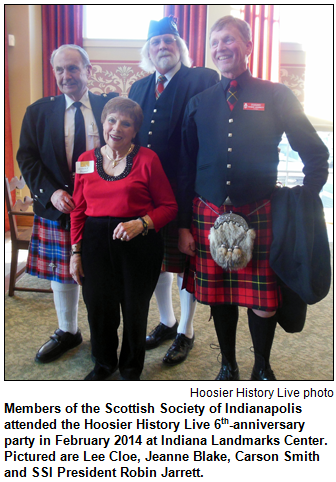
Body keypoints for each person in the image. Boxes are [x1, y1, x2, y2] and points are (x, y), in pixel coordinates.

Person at [177, 16, 329, 381]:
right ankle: (227, 364)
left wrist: (304, 202)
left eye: (228, 40)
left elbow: (315, 153)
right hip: (207, 214)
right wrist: (183, 224)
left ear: (248, 45)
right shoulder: (199, 102)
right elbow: (185, 168)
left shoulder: (276, 95)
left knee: (263, 299)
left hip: (261, 211)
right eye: (214, 43)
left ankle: (262, 364)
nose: (220, 48)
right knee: (217, 296)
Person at [17, 44, 118, 364]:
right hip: (58, 207)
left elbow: (126, 149)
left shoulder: (109, 107)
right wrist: (50, 194)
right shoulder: (38, 111)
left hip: (103, 209)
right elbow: (27, 158)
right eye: (59, 70)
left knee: (102, 274)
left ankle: (104, 337)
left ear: (89, 70)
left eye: (73, 68)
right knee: (62, 271)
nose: (66, 76)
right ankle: (67, 330)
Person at [128, 16, 219, 366]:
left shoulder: (202, 78)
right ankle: (166, 322)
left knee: (184, 264)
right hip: (145, 193)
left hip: (187, 189)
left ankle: (186, 329)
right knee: (157, 262)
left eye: (168, 41)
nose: (162, 47)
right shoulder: (137, 87)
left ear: (179, 47)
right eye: (156, 42)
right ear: (148, 51)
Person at [70, 97, 178, 381]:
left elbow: (169, 207)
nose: (117, 128)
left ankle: (131, 369)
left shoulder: (147, 159)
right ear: (103, 123)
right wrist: (76, 252)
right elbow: (78, 209)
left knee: (134, 310)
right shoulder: (84, 161)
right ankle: (103, 365)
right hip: (94, 245)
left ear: (134, 130)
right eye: (112, 121)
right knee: (98, 309)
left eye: (126, 123)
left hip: (138, 246)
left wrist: (141, 223)